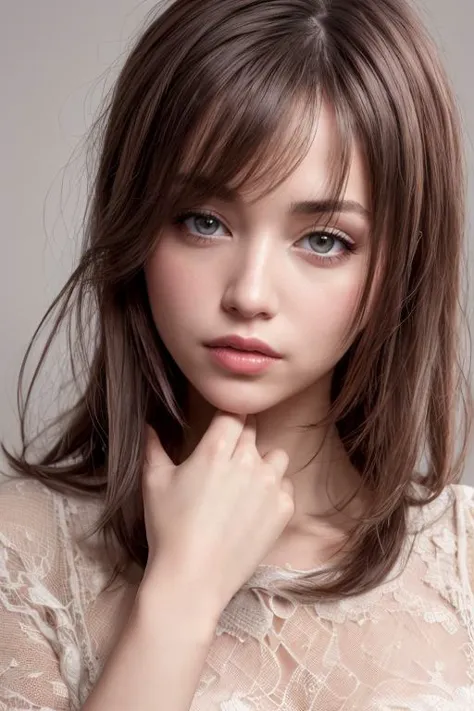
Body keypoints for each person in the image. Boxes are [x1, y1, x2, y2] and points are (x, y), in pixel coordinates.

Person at [1, 0, 474, 708]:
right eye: (205, 221)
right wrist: (182, 596)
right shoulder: (24, 553)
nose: (249, 293)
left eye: (323, 240)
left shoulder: (463, 562)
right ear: (134, 222)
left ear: (397, 268)